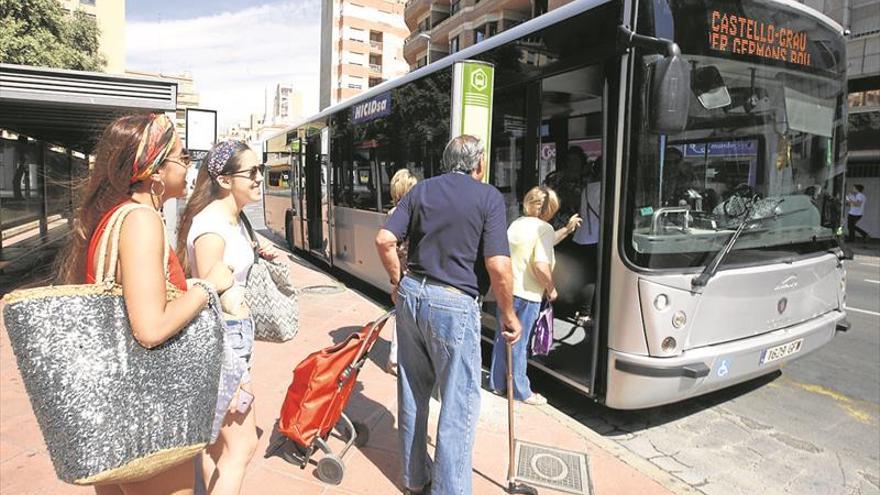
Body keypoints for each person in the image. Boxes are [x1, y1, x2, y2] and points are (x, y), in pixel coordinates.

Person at [55, 113, 234, 495]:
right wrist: (208, 287)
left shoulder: (111, 218)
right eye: (182, 158)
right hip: (147, 409)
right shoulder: (141, 220)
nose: (189, 167)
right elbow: (151, 328)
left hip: (112, 405)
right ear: (153, 169)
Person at [375, 135, 522, 495]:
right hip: (453, 303)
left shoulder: (422, 190)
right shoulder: (488, 197)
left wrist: (397, 280)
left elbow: (384, 239)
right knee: (458, 401)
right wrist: (508, 313)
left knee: (412, 390)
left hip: (412, 295)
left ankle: (414, 478)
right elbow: (499, 266)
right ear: (479, 163)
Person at [177, 140, 276, 495]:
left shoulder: (234, 220)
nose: (259, 179)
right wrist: (236, 374)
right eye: (252, 173)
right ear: (223, 179)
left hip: (233, 338)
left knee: (216, 446)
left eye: (260, 170)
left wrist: (256, 251)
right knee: (242, 445)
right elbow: (211, 296)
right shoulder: (212, 225)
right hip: (224, 342)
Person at [488, 186, 581, 405]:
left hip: (507, 290)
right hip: (528, 294)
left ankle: (497, 384)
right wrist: (552, 288)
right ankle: (521, 390)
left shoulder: (517, 224)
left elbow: (540, 242)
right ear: (550, 209)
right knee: (520, 343)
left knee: (503, 339)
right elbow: (541, 265)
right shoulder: (544, 229)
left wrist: (566, 230)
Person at [386, 168, 419, 376]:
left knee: (403, 314)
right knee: (404, 316)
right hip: (407, 270)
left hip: (399, 269)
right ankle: (395, 360)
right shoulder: (407, 213)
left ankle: (397, 358)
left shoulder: (392, 213)